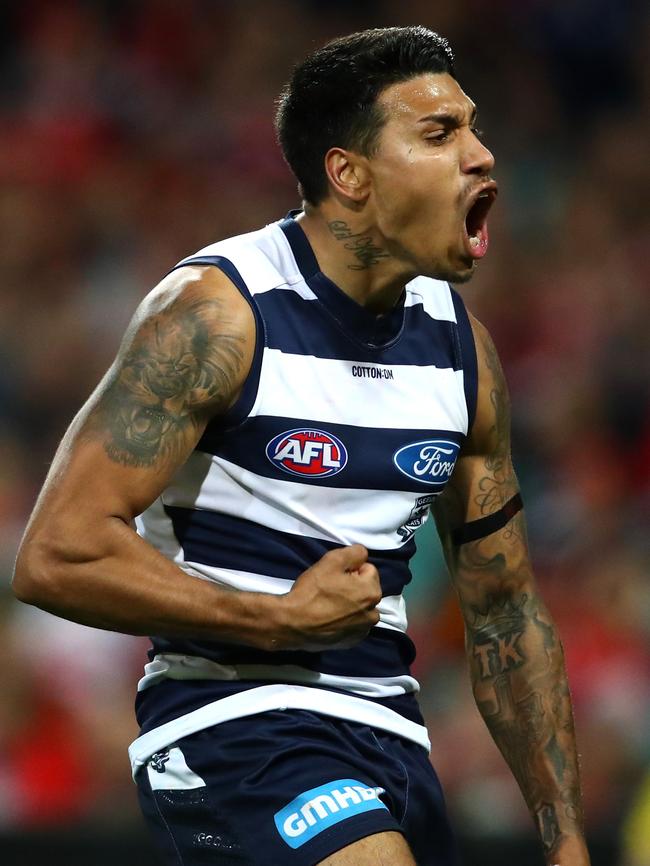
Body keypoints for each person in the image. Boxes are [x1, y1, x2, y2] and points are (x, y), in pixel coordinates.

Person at [13, 26, 591, 866]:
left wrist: (565, 838)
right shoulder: (218, 314)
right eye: (439, 134)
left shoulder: (465, 354)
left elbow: (504, 615)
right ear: (348, 175)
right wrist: (277, 621)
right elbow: (57, 554)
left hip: (391, 733)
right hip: (230, 724)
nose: (480, 155)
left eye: (471, 126)